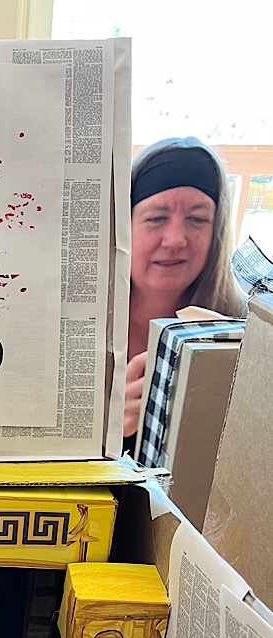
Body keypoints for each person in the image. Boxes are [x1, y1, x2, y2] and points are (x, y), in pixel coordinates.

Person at [125, 137, 245, 445]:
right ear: (123, 226)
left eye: (196, 219)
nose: (176, 239)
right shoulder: (73, 328)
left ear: (216, 232)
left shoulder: (245, 328)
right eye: (156, 218)